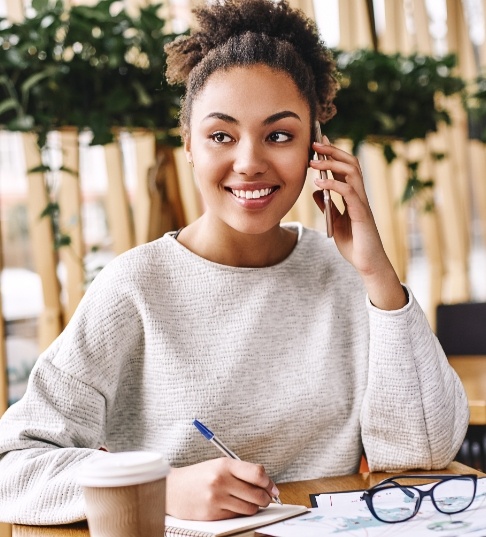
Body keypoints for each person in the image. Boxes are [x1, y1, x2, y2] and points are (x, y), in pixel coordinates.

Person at [0, 0, 469, 526]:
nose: (249, 163)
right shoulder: (134, 289)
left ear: (317, 148)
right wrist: (163, 487)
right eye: (221, 135)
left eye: (279, 135)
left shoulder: (347, 280)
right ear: (190, 147)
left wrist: (378, 275)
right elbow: (12, 471)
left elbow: (422, 456)